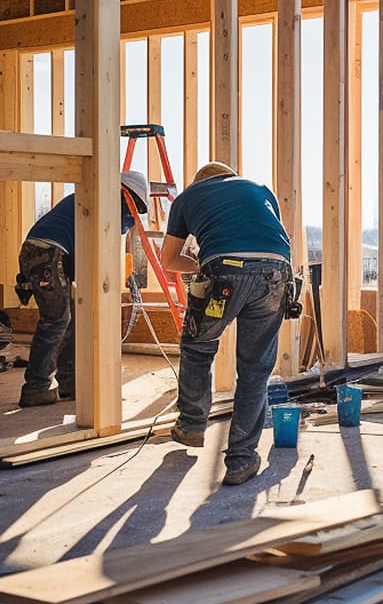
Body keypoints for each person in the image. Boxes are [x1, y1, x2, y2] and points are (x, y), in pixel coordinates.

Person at [160, 162, 292, 486]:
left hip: (223, 273)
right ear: (229, 178)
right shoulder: (260, 190)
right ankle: (241, 460)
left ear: (200, 183)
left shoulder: (188, 197)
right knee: (255, 368)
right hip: (276, 275)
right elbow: (270, 241)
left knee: (197, 347)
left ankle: (191, 424)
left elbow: (168, 260)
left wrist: (199, 263)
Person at [16, 171, 149, 407]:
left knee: (70, 318)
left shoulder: (91, 199)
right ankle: (36, 387)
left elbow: (84, 256)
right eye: (134, 208)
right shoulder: (106, 202)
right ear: (125, 195)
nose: (132, 216)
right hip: (49, 252)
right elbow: (97, 252)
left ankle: (68, 382)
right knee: (56, 319)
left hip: (42, 252)